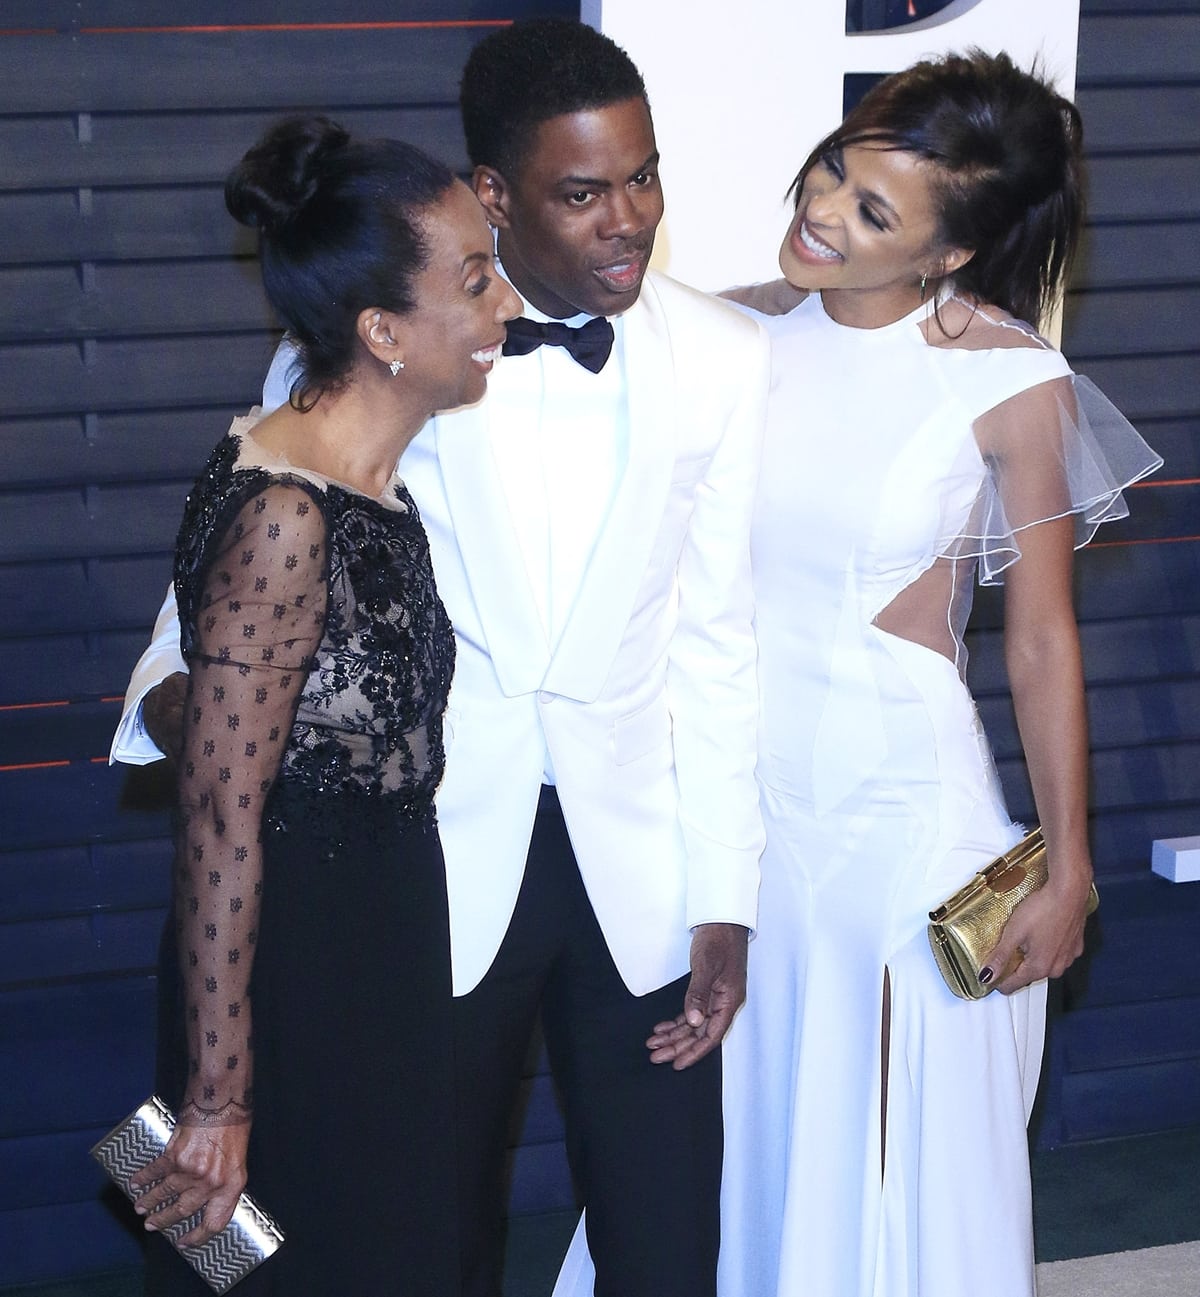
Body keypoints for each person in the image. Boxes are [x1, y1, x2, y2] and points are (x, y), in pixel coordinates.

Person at [111, 19, 770, 1297]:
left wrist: (724, 890)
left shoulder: (730, 360)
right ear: (494, 193)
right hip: (420, 869)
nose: (626, 218)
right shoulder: (391, 338)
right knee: (410, 1232)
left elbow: (721, 634)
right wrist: (187, 707)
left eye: (645, 178)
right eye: (583, 193)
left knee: (670, 1227)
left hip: (638, 856)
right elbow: (250, 549)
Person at [669, 49, 1159, 1297]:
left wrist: (1070, 868)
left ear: (947, 254)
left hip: (904, 827)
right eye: (836, 172)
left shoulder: (1008, 377)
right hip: (751, 822)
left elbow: (1044, 638)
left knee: (911, 1159)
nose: (823, 212)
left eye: (874, 212)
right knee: (758, 1133)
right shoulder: (725, 330)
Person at [122, 115, 520, 1296]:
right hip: (292, 970)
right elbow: (219, 822)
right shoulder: (292, 514)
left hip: (373, 935)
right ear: (385, 331)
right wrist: (217, 1098)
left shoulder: (337, 471)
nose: (506, 306)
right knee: (306, 1261)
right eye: (475, 279)